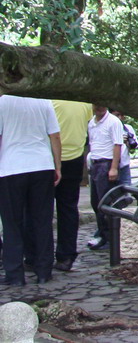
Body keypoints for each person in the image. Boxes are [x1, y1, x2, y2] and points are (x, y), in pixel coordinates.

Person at [0, 95, 62, 285]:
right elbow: (55, 135)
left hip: (12, 167)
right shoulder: (43, 101)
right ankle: (44, 270)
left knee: (12, 223)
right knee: (42, 221)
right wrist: (57, 166)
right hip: (41, 165)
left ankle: (14, 274)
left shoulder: (3, 101)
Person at [50, 100, 91, 272]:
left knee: (41, 209)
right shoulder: (84, 103)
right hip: (75, 158)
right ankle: (66, 255)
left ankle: (38, 255)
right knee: (68, 208)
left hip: (51, 157)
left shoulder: (49, 102)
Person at [85, 104, 125, 251]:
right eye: (96, 105)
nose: (99, 108)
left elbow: (117, 144)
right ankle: (103, 234)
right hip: (96, 163)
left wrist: (114, 167)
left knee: (107, 202)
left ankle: (111, 237)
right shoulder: (92, 123)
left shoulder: (113, 122)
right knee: (96, 202)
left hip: (106, 163)